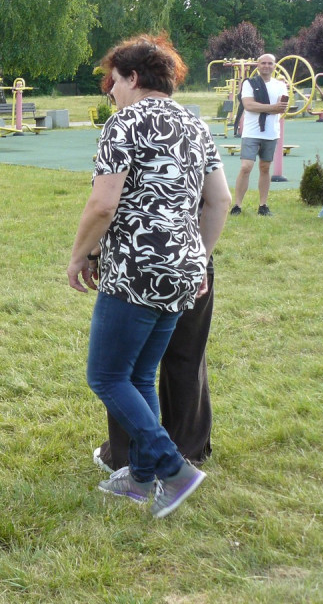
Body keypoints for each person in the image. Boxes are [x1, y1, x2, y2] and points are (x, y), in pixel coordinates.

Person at [67, 35, 231, 518]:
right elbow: (219, 200)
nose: (111, 93)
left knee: (106, 375)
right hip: (185, 269)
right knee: (138, 374)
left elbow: (102, 203)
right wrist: (197, 258)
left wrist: (78, 256)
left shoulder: (124, 122)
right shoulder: (195, 123)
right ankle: (140, 480)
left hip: (136, 268)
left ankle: (171, 469)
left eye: (113, 83)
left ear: (132, 77)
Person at [94, 260, 215, 472]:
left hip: (136, 257)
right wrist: (201, 257)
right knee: (186, 355)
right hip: (189, 256)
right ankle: (186, 451)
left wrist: (89, 253)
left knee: (125, 369)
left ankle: (134, 459)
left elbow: (103, 223)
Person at [230, 54, 288, 217]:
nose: (266, 66)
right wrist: (272, 108)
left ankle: (263, 205)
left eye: (270, 63)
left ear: (274, 66)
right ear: (258, 65)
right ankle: (237, 205)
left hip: (271, 132)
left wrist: (267, 107)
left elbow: (282, 107)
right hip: (251, 132)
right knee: (246, 167)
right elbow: (248, 105)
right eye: (263, 63)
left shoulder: (280, 85)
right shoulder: (249, 83)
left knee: (265, 167)